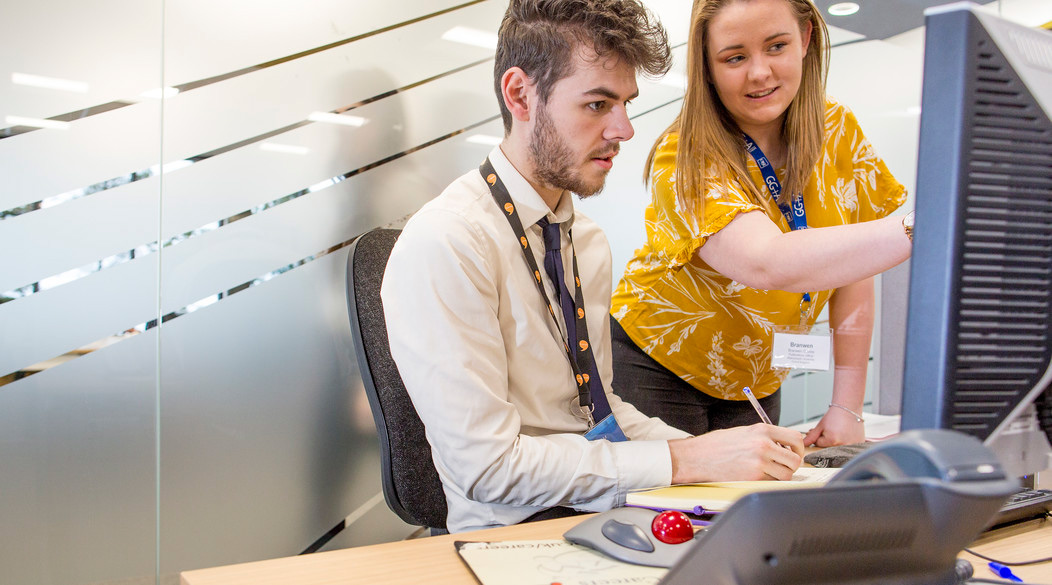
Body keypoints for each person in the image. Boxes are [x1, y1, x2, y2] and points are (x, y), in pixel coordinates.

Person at [381, 0, 804, 534]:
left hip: (604, 512)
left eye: (625, 103)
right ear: (520, 95)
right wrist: (687, 462)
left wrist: (719, 452)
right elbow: (486, 470)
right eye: (598, 104)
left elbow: (598, 412)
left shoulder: (586, 240)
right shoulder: (446, 242)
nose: (624, 129)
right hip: (516, 535)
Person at [610, 0, 913, 450]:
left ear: (806, 38)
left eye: (776, 46)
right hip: (657, 366)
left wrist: (846, 406)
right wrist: (921, 227)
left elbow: (854, 267)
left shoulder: (839, 131)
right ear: (707, 67)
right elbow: (768, 262)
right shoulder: (685, 156)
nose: (760, 73)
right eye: (735, 57)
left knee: (745, 509)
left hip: (758, 377)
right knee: (672, 513)